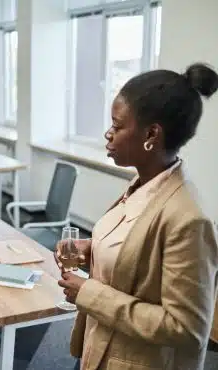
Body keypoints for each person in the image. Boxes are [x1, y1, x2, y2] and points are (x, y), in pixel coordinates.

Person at [58, 63, 218, 370]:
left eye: (117, 126)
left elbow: (186, 329)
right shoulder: (141, 185)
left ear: (151, 134)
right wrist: (93, 249)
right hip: (102, 346)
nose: (108, 134)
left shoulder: (189, 220)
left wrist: (89, 293)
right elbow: (138, 252)